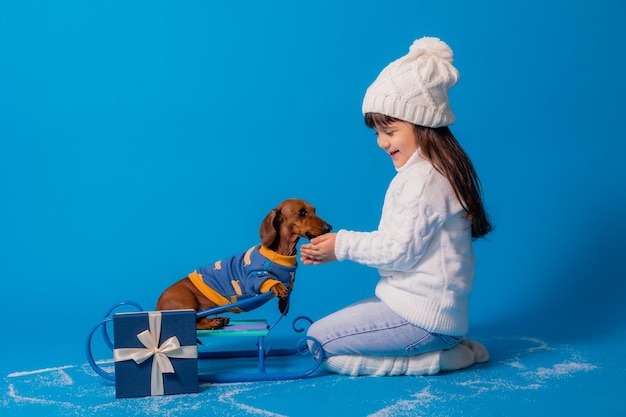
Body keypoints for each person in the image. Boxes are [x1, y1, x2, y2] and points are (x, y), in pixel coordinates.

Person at [300, 37, 492, 376]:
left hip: (423, 319)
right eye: (377, 132)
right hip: (423, 310)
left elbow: (398, 250)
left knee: (317, 344)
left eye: (390, 130)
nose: (382, 142)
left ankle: (437, 358)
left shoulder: (423, 179)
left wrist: (340, 246)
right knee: (340, 325)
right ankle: (448, 344)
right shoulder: (435, 171)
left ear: (423, 124)